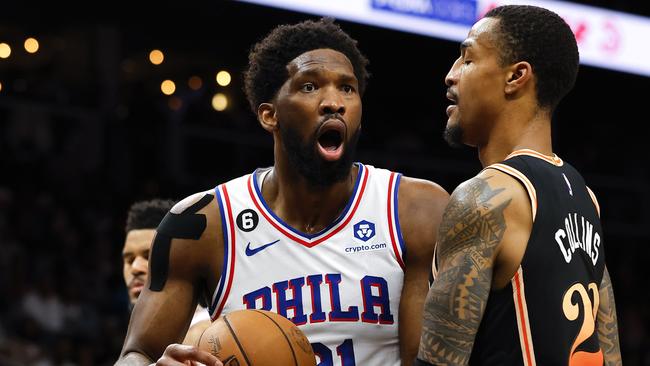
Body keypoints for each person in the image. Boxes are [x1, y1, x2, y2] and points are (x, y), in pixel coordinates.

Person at [116, 18, 449, 365]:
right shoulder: (203, 225)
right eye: (309, 86)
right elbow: (135, 354)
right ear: (269, 115)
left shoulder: (415, 210)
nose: (333, 102)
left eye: (347, 88)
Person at [415, 5, 622, 365]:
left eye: (467, 59)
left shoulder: (485, 198)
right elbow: (610, 354)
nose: (450, 75)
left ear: (516, 76)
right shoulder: (587, 198)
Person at [122, 199, 211, 346]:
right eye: (129, 260)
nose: (135, 268)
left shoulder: (207, 336)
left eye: (148, 255)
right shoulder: (142, 341)